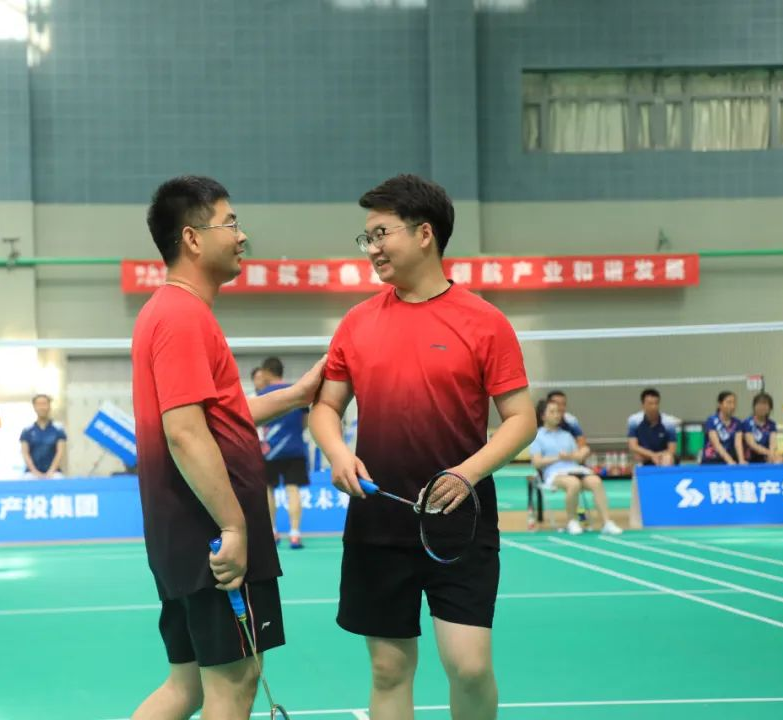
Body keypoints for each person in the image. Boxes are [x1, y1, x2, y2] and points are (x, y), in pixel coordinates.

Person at [309, 174, 536, 720]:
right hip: (378, 519)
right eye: (366, 238)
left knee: (469, 666)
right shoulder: (357, 323)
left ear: (424, 234)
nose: (372, 249)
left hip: (459, 521)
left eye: (380, 234)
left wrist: (466, 473)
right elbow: (324, 408)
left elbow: (521, 419)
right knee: (389, 669)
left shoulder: (485, 323)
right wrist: (337, 453)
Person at [131, 176, 324, 720]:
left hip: (184, 534)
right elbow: (185, 432)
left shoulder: (170, 311)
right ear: (193, 238)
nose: (241, 235)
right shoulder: (182, 315)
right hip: (210, 534)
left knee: (186, 689)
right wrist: (235, 527)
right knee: (235, 687)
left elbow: (219, 414)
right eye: (230, 222)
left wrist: (297, 395)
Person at [530, 400, 623, 536]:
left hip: (574, 469)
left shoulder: (566, 435)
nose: (557, 415)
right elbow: (537, 462)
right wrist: (558, 458)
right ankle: (572, 521)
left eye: (558, 412)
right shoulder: (537, 436)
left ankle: (606, 522)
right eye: (552, 412)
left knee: (596, 481)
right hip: (553, 473)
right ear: (543, 416)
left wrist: (574, 455)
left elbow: (577, 457)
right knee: (573, 484)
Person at [257, 356, 310, 549]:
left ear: (267, 372)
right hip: (294, 449)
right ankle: (295, 534)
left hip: (268, 451)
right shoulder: (296, 392)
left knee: (268, 490)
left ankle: (273, 532)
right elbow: (305, 422)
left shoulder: (261, 394)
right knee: (293, 489)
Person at [626, 388, 679, 466]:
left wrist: (659, 456)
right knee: (637, 456)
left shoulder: (669, 422)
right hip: (644, 456)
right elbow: (633, 446)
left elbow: (672, 449)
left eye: (656, 403)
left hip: (662, 456)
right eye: (650, 404)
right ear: (643, 405)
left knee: (667, 458)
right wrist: (652, 455)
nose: (654, 407)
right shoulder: (634, 420)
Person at [20, 394, 67, 478]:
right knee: (27, 478)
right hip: (31, 473)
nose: (42, 407)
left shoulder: (58, 429)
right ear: (34, 407)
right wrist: (35, 472)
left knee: (58, 478)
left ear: (49, 406)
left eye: (44, 404)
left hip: (54, 472)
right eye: (39, 404)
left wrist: (51, 471)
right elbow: (25, 453)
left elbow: (60, 452)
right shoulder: (27, 430)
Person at [740, 392, 783, 464]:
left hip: (766, 457)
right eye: (759, 404)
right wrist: (769, 453)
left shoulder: (772, 424)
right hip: (750, 459)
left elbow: (773, 443)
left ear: (770, 408)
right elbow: (752, 444)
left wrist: (772, 454)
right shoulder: (747, 422)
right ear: (754, 406)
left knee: (780, 458)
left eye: (765, 404)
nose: (762, 407)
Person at [701, 391, 743, 465]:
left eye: (734, 403)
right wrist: (729, 460)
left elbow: (738, 444)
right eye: (729, 402)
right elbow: (716, 444)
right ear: (719, 404)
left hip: (730, 464)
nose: (732, 406)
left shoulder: (737, 423)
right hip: (711, 462)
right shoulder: (712, 420)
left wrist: (741, 460)